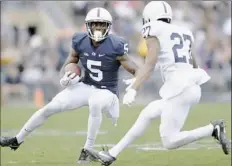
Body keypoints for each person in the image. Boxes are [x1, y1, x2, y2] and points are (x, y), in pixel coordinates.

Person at [84, 2, 231, 165]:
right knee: (148, 113)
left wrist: (134, 88)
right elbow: (192, 64)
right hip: (190, 86)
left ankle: (213, 129)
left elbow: (150, 63)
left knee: (169, 141)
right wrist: (138, 78)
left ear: (149, 16)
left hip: (179, 90)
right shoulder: (184, 31)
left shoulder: (154, 29)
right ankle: (111, 154)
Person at [0, 7, 138, 164]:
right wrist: (67, 75)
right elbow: (71, 62)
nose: (98, 28)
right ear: (88, 26)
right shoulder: (80, 40)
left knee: (95, 103)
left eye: (102, 25)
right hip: (85, 86)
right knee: (49, 107)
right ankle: (17, 139)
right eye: (95, 24)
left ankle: (87, 149)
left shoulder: (116, 44)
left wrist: (134, 85)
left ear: (108, 27)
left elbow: (134, 68)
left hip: (107, 91)